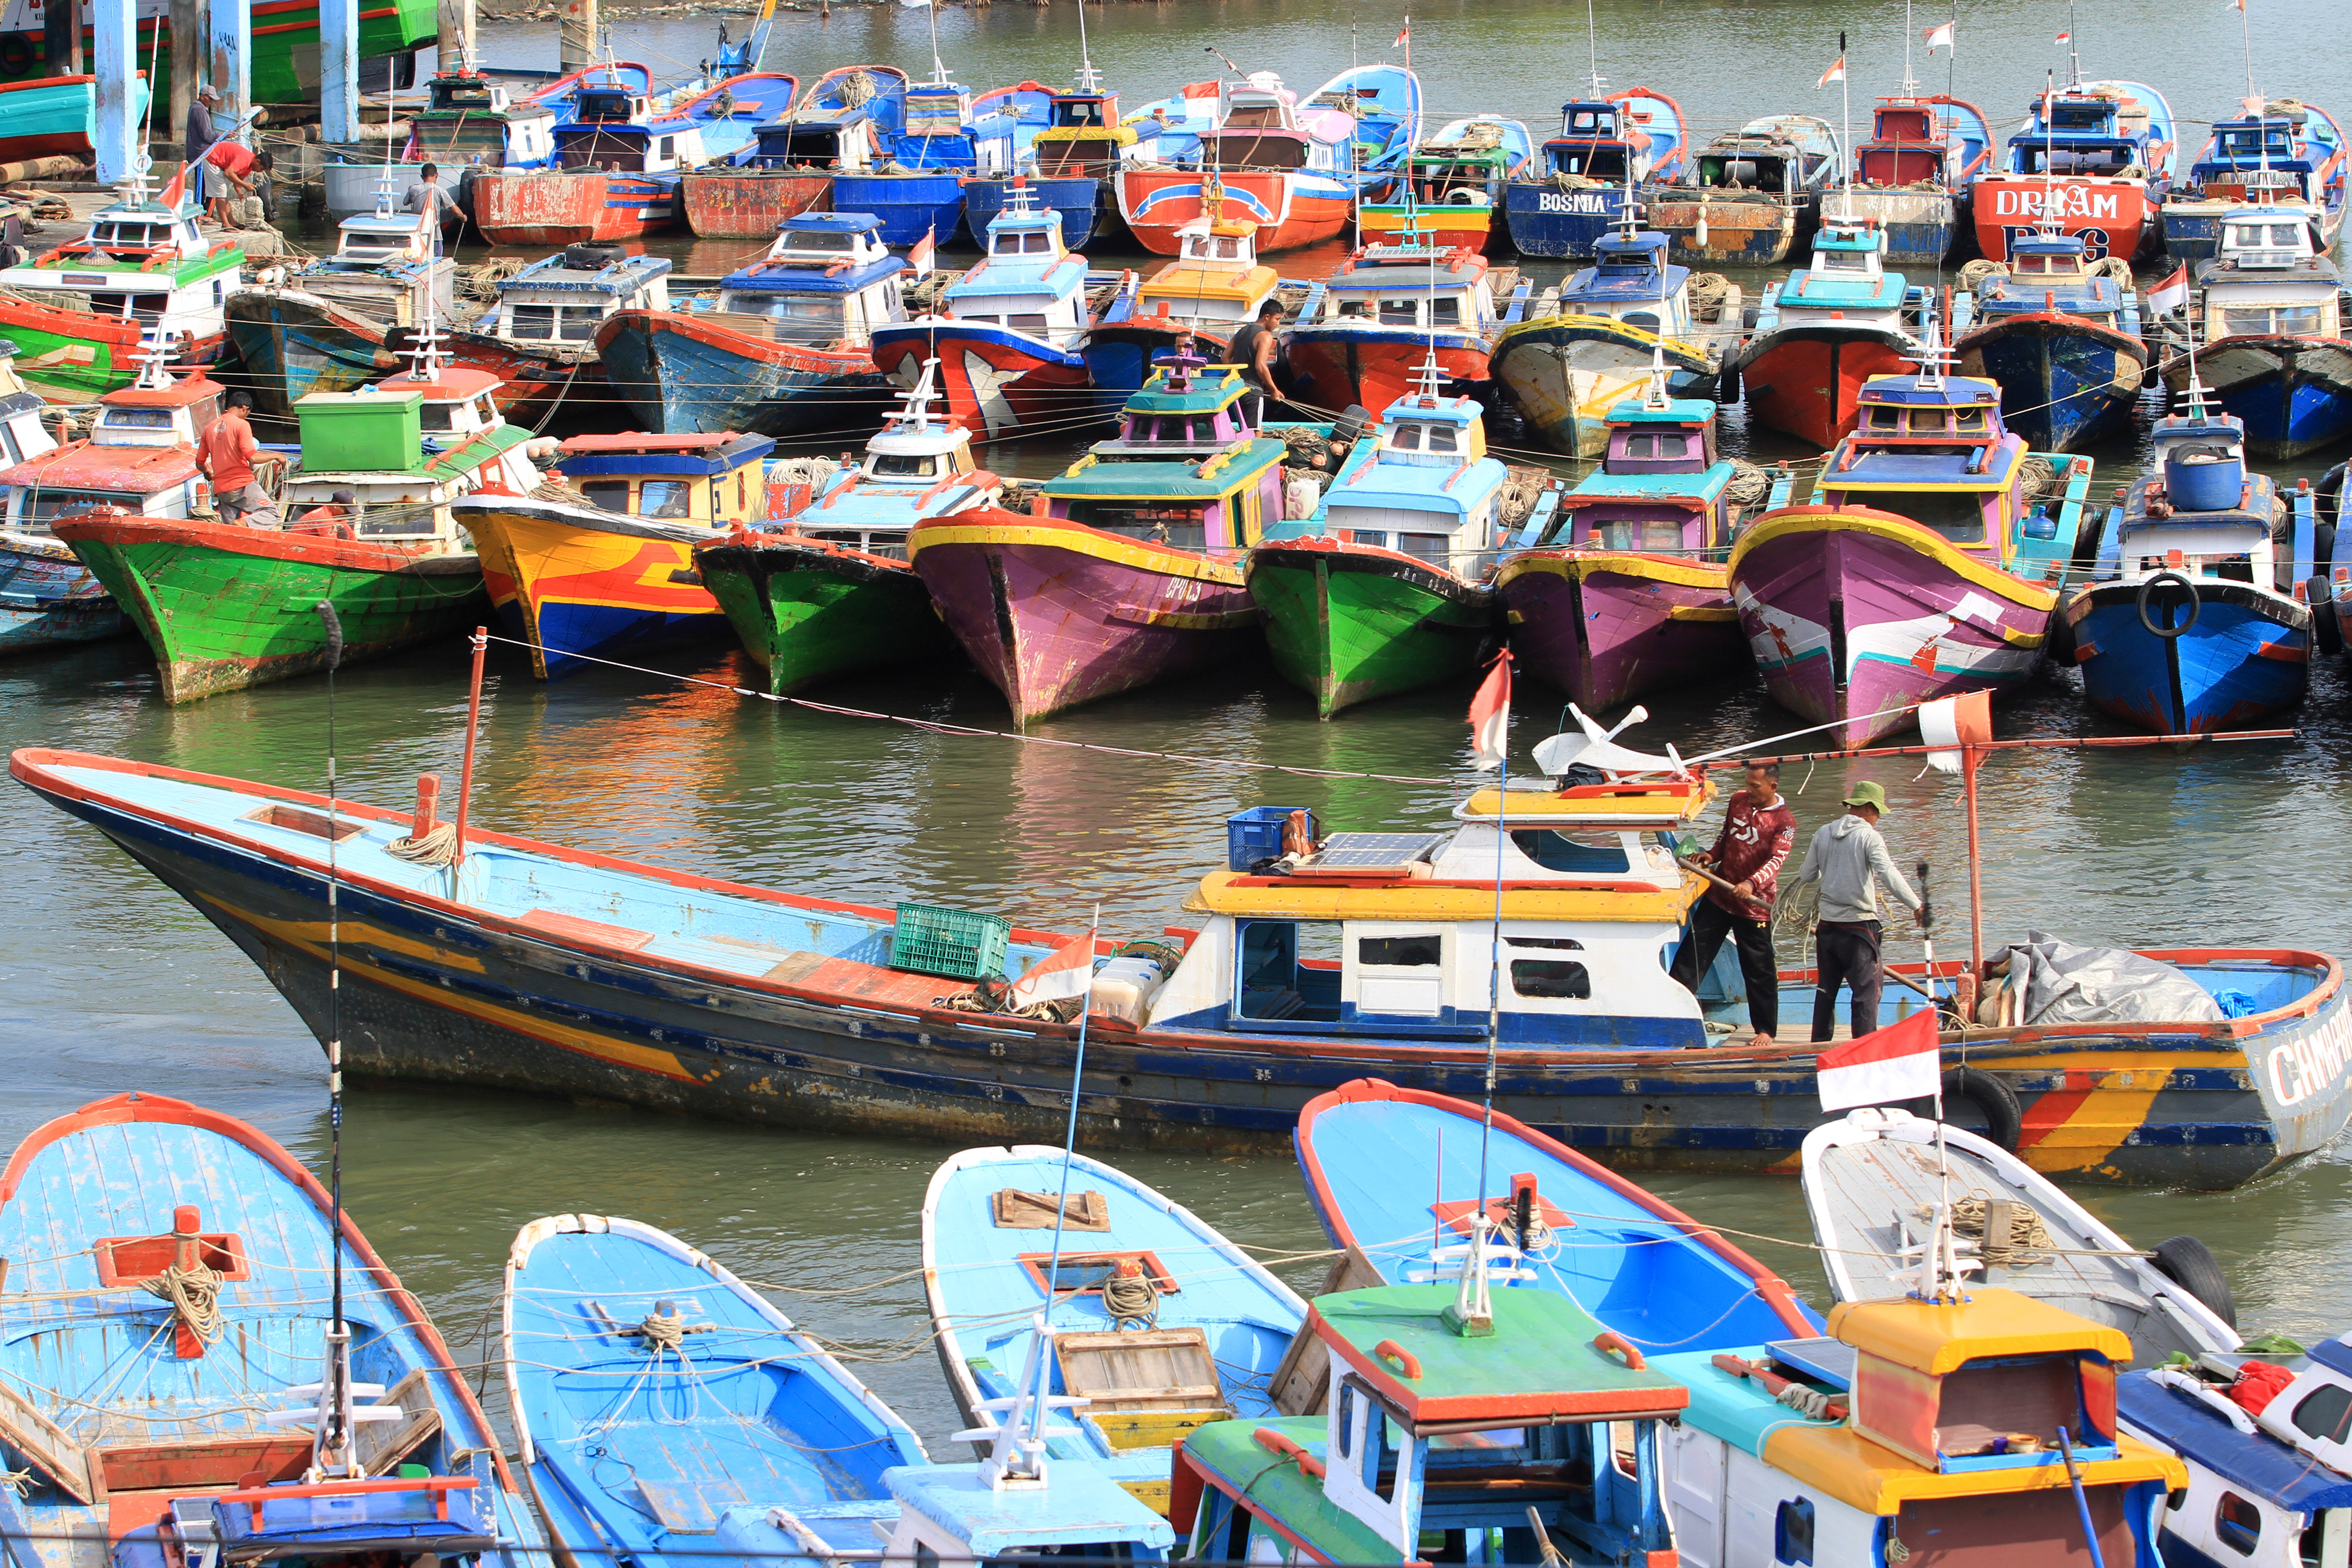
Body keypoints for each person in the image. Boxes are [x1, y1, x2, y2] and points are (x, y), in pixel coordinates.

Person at [1669, 761, 1796, 1048]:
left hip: (1754, 905)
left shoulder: (1784, 822)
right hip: (1721, 894)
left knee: (1758, 969)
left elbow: (1776, 861)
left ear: (1772, 787)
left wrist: (1751, 883)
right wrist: (1712, 855)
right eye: (1748, 783)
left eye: (1755, 786)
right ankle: (1674, 1014)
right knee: (1692, 957)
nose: (1749, 790)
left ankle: (1765, 1029)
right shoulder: (1738, 800)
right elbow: (1726, 835)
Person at [1790, 780, 1926, 1042]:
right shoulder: (1869, 837)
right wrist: (1916, 905)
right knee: (1865, 993)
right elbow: (1887, 873)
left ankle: (1818, 1045)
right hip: (1859, 928)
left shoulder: (1823, 832)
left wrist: (1832, 870)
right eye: (1877, 813)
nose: (1877, 819)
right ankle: (1864, 1048)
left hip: (1828, 926)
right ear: (1867, 808)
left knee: (1826, 990)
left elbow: (1807, 875)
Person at [200, 392, 276, 527]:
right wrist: (277, 456)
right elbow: (252, 456)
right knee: (270, 513)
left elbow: (200, 463)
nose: (246, 416)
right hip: (241, 484)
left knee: (232, 532)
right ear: (244, 408)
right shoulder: (242, 425)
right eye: (247, 413)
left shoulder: (208, 428)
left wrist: (207, 472)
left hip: (222, 490)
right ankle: (244, 523)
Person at [1225, 299, 1286, 426]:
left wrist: (1235, 378)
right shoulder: (1265, 336)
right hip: (1253, 390)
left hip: (1236, 389)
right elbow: (1261, 366)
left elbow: (1225, 357)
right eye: (1277, 319)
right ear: (1267, 317)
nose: (1278, 323)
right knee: (1256, 431)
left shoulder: (1242, 331)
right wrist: (1274, 390)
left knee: (1241, 429)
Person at [405, 163, 460, 256]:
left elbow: (405, 202)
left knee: (418, 259)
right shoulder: (440, 191)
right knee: (435, 260)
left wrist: (410, 188)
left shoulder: (414, 190)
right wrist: (463, 217)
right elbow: (456, 211)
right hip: (435, 235)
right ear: (436, 175)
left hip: (418, 234)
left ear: (422, 177)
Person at [185, 85, 220, 218]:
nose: (212, 102)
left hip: (197, 153)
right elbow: (207, 136)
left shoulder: (195, 108)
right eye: (210, 99)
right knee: (208, 185)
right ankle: (204, 214)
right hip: (202, 154)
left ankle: (202, 213)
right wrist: (221, 135)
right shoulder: (199, 110)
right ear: (203, 96)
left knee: (203, 185)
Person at [290, 489, 358, 539]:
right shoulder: (323, 517)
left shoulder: (336, 517)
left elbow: (352, 536)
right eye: (346, 511)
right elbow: (331, 543)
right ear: (336, 506)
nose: (347, 515)